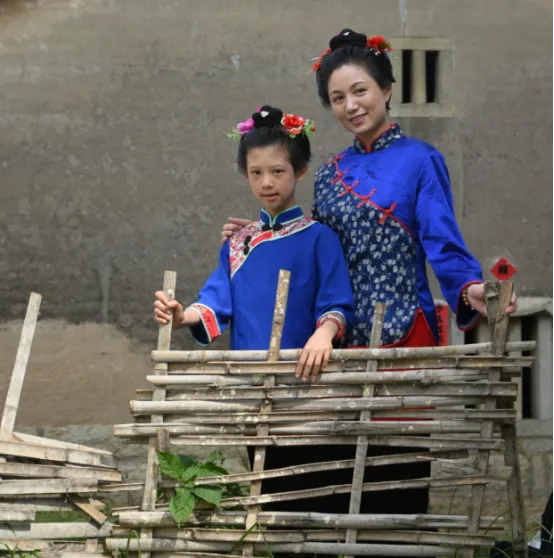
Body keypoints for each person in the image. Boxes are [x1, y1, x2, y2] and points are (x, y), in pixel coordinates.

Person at [219, 29, 518, 532]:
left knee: (395, 477)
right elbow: (313, 249)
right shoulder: (329, 173)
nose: (351, 105)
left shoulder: (421, 160)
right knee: (331, 483)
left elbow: (442, 242)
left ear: (386, 89)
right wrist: (261, 235)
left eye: (360, 91)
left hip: (401, 331)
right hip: (335, 339)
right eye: (338, 97)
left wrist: (470, 290)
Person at [154, 104, 354, 381]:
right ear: (245, 174)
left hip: (304, 377)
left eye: (277, 171)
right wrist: (182, 317)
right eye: (256, 173)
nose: (266, 183)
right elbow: (216, 298)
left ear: (300, 171)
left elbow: (336, 303)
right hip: (246, 378)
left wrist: (325, 333)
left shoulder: (320, 238)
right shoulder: (237, 243)